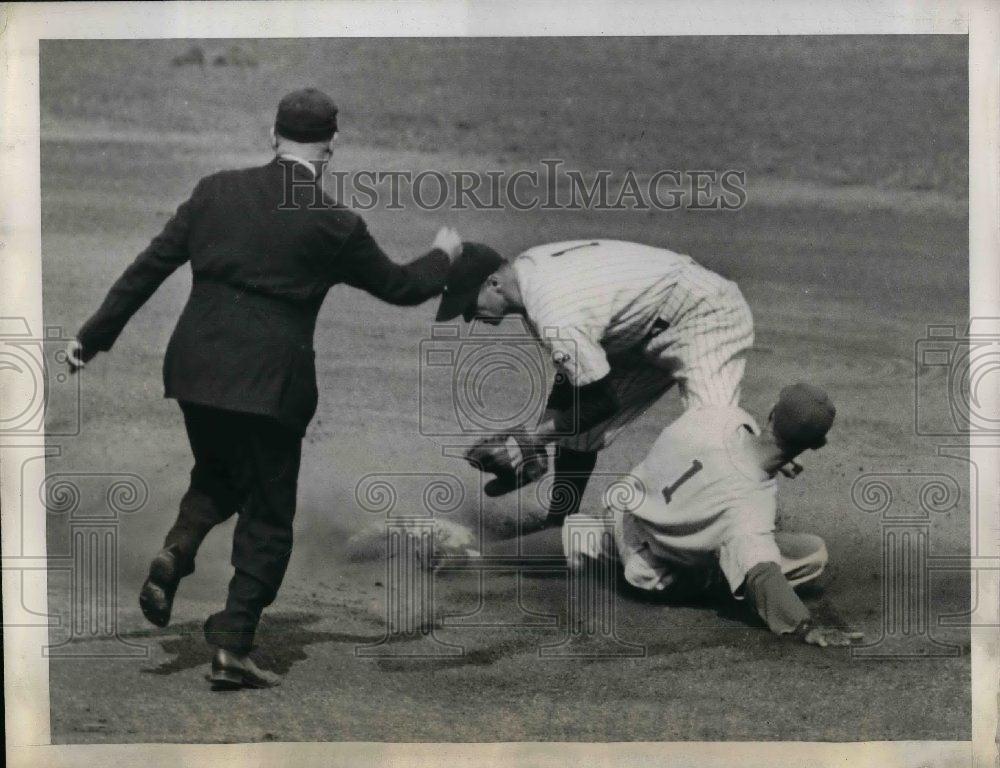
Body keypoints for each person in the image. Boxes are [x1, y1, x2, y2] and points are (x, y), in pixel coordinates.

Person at [67, 88, 463, 689]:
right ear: (331, 144)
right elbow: (403, 288)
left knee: (219, 474)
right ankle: (233, 643)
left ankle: (176, 550)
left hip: (195, 371)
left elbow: (146, 270)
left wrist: (89, 340)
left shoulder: (214, 191)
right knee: (270, 516)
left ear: (272, 137)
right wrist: (444, 256)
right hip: (272, 386)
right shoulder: (336, 224)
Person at [435, 239, 763, 524]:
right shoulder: (528, 276)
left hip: (704, 312)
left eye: (468, 304)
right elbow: (578, 381)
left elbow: (600, 400)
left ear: (493, 283)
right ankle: (559, 524)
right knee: (580, 433)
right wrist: (536, 436)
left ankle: (749, 516)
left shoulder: (552, 309)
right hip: (640, 327)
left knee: (714, 430)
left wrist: (530, 439)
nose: (468, 316)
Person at [562, 384, 863, 647]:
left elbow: (722, 459)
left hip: (623, 514)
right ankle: (709, 583)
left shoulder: (719, 416)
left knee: (576, 534)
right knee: (812, 553)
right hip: (653, 570)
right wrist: (804, 626)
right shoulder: (749, 509)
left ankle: (577, 543)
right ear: (816, 445)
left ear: (771, 411)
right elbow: (763, 574)